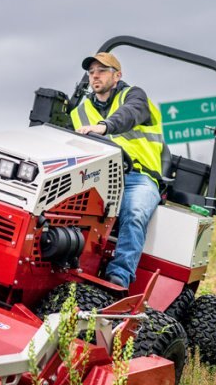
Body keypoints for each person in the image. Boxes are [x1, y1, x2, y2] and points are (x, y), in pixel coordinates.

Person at [71, 51, 166, 289]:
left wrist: (104, 127)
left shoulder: (134, 97)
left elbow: (130, 113)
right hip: (98, 177)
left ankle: (118, 278)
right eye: (91, 72)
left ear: (117, 76)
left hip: (139, 178)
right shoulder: (79, 111)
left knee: (134, 213)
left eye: (102, 71)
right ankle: (70, 268)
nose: (95, 76)